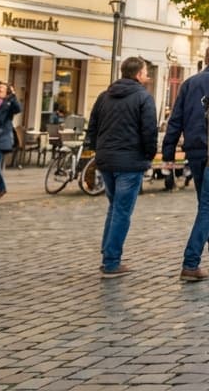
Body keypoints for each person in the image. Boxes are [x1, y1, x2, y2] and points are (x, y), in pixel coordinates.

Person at [86, 57, 158, 278]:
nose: (147, 76)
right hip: (130, 161)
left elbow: (93, 127)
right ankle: (111, 262)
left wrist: (96, 150)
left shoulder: (104, 96)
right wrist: (149, 155)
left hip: (106, 160)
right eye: (145, 72)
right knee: (122, 211)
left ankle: (107, 251)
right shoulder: (143, 97)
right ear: (138, 74)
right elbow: (149, 131)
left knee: (114, 207)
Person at [163, 46, 209, 282]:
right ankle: (190, 262)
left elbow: (175, 119)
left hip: (195, 151)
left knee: (207, 203)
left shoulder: (189, 84)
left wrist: (168, 150)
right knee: (208, 205)